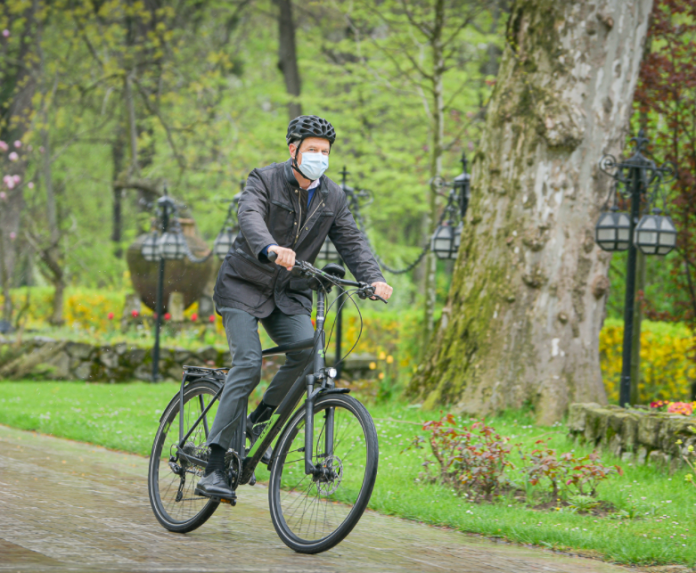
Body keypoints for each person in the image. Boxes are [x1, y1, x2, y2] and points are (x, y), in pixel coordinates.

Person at [195, 115, 393, 499]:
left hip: (289, 294)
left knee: (307, 352)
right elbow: (250, 216)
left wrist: (374, 277)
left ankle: (257, 423)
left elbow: (352, 241)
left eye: (325, 151)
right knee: (249, 363)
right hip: (242, 287)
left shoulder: (333, 196)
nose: (319, 157)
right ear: (293, 150)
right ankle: (216, 464)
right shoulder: (264, 179)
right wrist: (269, 247)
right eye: (312, 150)